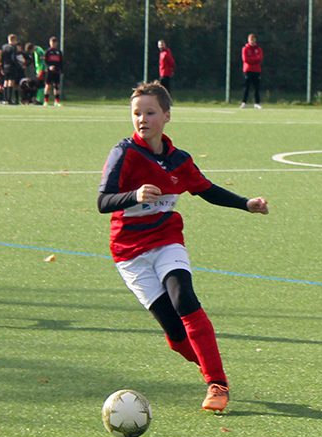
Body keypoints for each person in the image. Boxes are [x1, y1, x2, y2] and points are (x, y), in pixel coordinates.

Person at [98, 81, 269, 412]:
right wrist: (134, 195)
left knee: (184, 298)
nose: (142, 119)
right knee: (177, 336)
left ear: (166, 116)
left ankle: (217, 383)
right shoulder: (124, 153)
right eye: (136, 113)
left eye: (150, 112)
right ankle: (209, 368)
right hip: (129, 254)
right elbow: (103, 201)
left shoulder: (179, 160)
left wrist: (246, 203)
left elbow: (206, 189)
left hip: (166, 240)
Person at [240, 33, 263, 109]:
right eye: (251, 40)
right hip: (248, 70)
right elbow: (245, 59)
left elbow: (260, 59)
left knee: (257, 87)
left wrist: (252, 59)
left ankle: (257, 103)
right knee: (247, 87)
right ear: (248, 40)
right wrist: (254, 59)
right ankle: (244, 103)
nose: (252, 41)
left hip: (257, 70)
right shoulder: (245, 49)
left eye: (253, 40)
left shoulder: (258, 49)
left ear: (255, 40)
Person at [1, 35, 23, 105]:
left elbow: (1, 58)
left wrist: (2, 67)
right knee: (11, 81)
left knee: (5, 81)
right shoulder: (13, 48)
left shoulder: (4, 47)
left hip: (5, 66)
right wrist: (18, 65)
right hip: (11, 66)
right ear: (13, 40)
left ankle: (5, 99)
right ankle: (9, 99)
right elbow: (13, 58)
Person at [44, 36, 63, 106]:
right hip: (49, 72)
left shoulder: (59, 52)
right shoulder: (47, 52)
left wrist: (61, 70)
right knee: (47, 86)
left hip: (57, 71)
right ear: (50, 43)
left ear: (56, 43)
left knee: (56, 86)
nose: (53, 44)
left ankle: (57, 101)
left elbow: (61, 62)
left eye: (54, 43)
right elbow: (44, 62)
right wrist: (49, 67)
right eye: (52, 42)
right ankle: (46, 101)